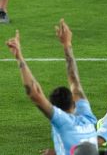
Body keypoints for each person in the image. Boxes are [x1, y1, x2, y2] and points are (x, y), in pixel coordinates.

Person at [6, 19, 97, 155]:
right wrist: (67, 44)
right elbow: (75, 82)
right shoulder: (87, 117)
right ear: (74, 102)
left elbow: (35, 94)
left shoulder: (63, 122)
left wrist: (19, 57)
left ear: (55, 108)